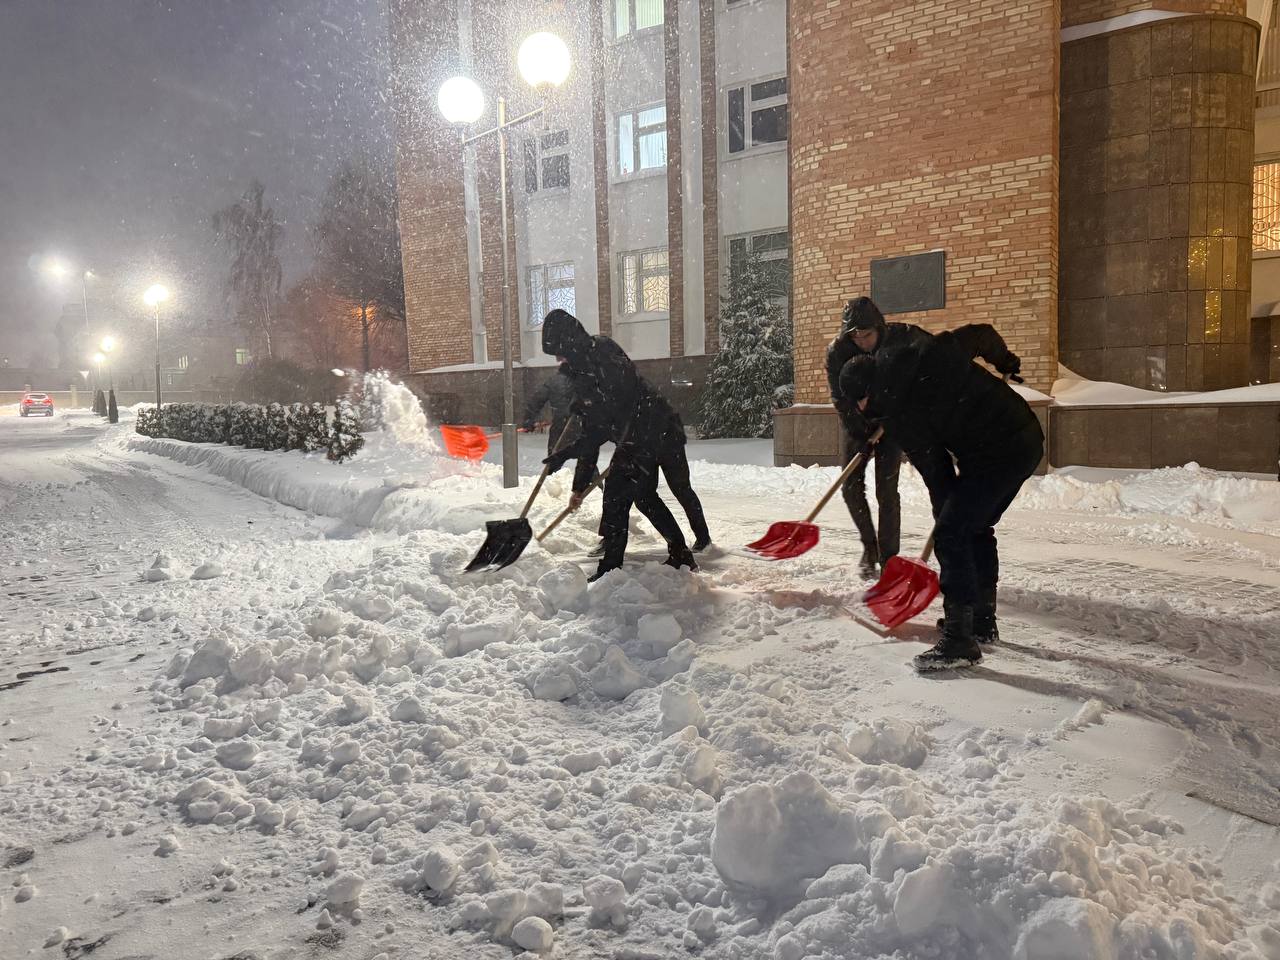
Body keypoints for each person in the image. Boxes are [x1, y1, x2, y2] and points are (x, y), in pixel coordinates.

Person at [837, 329, 1042, 671]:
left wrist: (946, 519)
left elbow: (939, 477)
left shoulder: (902, 414)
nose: (859, 409)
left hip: (996, 451)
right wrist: (1004, 360)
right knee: (975, 527)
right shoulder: (921, 351)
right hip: (1025, 433)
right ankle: (981, 621)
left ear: (865, 396)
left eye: (856, 403)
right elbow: (982, 335)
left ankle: (960, 640)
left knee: (953, 532)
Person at [538, 309, 699, 581]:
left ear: (569, 343)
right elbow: (592, 435)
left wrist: (590, 409)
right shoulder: (583, 367)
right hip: (644, 431)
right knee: (644, 496)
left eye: (558, 351)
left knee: (616, 496)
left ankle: (611, 567)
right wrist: (573, 476)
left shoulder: (603, 357)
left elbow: (607, 417)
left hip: (649, 429)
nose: (557, 359)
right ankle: (681, 554)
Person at [521, 363, 577, 456]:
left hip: (559, 425)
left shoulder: (553, 381)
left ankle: (551, 469)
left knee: (553, 459)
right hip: (580, 425)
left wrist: (528, 420)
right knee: (587, 461)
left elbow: (536, 400)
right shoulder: (583, 381)